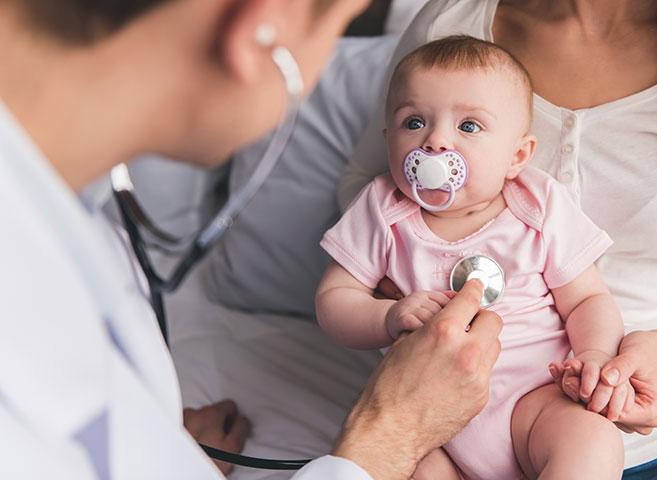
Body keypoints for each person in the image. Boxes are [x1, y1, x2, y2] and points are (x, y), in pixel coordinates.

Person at [0, 0, 503, 479]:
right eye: (333, 31)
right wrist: (389, 436)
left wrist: (152, 449)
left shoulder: (71, 212)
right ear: (260, 30)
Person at [338, 0, 657, 478]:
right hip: (445, 424)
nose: (435, 143)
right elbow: (366, 189)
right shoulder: (452, 22)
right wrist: (397, 297)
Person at [316, 36, 629, 480]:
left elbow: (586, 300)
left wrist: (595, 355)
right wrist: (386, 316)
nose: (436, 142)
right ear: (389, 141)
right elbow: (335, 299)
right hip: (425, 418)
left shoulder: (537, 206)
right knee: (409, 469)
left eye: (468, 127)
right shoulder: (383, 209)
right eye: (414, 122)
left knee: (592, 440)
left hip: (536, 400)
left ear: (517, 156)